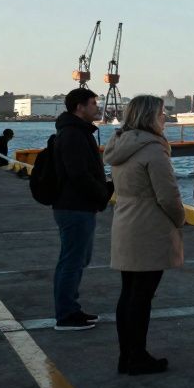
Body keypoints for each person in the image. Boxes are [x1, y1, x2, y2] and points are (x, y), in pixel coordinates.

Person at [103, 95, 186, 375]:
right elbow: (168, 195)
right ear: (150, 116)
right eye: (162, 113)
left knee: (129, 294)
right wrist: (180, 220)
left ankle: (126, 355)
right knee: (142, 297)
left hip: (125, 224)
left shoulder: (120, 145)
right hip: (149, 228)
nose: (165, 117)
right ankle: (137, 357)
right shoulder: (153, 150)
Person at [52, 88, 113, 332]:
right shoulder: (73, 135)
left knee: (77, 258)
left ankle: (70, 309)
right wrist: (102, 193)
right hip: (75, 206)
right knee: (72, 260)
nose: (97, 108)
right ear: (80, 107)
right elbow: (78, 174)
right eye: (93, 103)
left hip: (76, 205)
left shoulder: (76, 132)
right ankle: (66, 314)